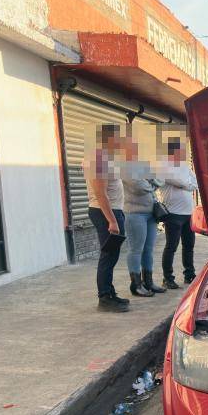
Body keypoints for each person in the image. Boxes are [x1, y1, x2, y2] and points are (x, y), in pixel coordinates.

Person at [85, 124, 130, 313]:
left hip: (112, 211)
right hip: (105, 212)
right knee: (108, 255)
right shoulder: (97, 161)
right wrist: (111, 220)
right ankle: (104, 297)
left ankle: (109, 292)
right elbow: (100, 193)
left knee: (112, 255)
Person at [121, 138, 166, 297]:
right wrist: (152, 183)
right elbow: (139, 187)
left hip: (151, 213)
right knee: (135, 249)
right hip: (135, 214)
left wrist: (151, 181)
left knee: (148, 249)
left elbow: (161, 179)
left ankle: (149, 282)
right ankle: (136, 284)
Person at [158, 138, 198, 289]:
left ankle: (189, 275)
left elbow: (195, 183)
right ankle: (167, 278)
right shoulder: (163, 167)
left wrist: (185, 184)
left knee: (189, 246)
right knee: (171, 246)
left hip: (188, 213)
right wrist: (186, 184)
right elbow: (179, 181)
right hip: (173, 213)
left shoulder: (185, 166)